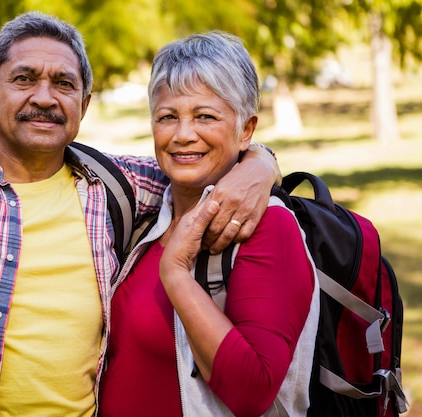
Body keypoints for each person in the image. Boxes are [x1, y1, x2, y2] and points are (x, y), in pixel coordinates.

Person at [0, 12, 280, 417]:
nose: (45, 98)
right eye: (24, 79)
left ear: (84, 106)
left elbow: (200, 160)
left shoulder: (116, 185)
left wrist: (259, 161)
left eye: (64, 84)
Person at [98, 31, 320, 417]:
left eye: (205, 116)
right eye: (168, 117)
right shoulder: (147, 209)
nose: (183, 135)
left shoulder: (266, 227)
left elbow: (253, 392)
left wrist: (177, 274)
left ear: (246, 129)